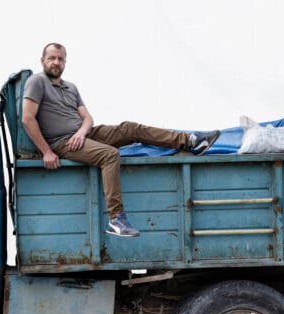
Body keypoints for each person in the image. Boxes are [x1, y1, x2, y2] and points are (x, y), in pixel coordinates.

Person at [22, 42, 220, 237]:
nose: (56, 62)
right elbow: (27, 118)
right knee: (109, 155)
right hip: (62, 142)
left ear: (65, 62)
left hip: (83, 134)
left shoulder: (70, 87)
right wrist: (47, 151)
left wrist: (82, 132)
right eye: (52, 58)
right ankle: (116, 219)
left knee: (129, 128)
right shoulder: (37, 82)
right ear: (42, 60)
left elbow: (88, 118)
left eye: (60, 59)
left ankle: (191, 141)